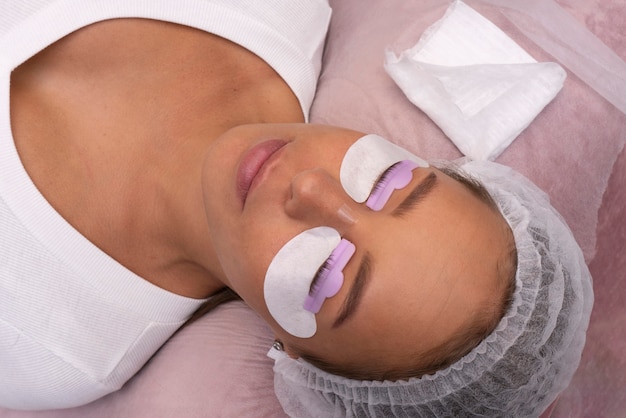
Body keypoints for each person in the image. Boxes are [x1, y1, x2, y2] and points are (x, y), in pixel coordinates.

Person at [0, 0, 592, 416]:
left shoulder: (48, 343)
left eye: (327, 274)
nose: (311, 191)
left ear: (294, 359)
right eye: (386, 182)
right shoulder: (281, 8)